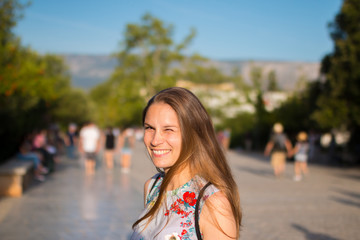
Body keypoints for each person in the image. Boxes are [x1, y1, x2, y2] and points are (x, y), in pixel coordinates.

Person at [131, 87, 241, 240]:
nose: (155, 141)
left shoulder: (213, 203)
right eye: (149, 128)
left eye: (168, 129)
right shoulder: (152, 187)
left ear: (194, 135)